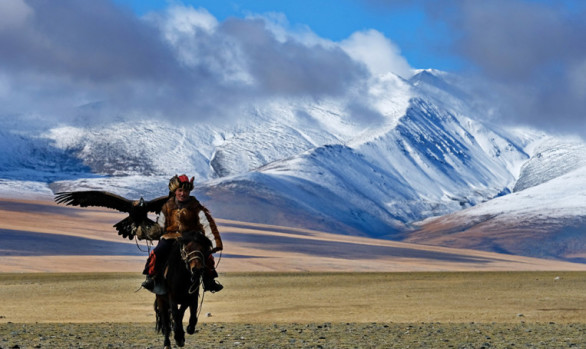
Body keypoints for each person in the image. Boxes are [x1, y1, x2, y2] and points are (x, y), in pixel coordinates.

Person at [142, 174, 223, 293]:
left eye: (186, 191)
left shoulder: (196, 207)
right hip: (170, 237)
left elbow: (206, 224)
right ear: (175, 191)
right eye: (180, 190)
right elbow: (160, 225)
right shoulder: (167, 206)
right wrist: (148, 232)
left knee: (206, 255)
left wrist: (214, 243)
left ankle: (209, 281)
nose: (183, 193)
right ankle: (151, 277)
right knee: (157, 252)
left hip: (190, 238)